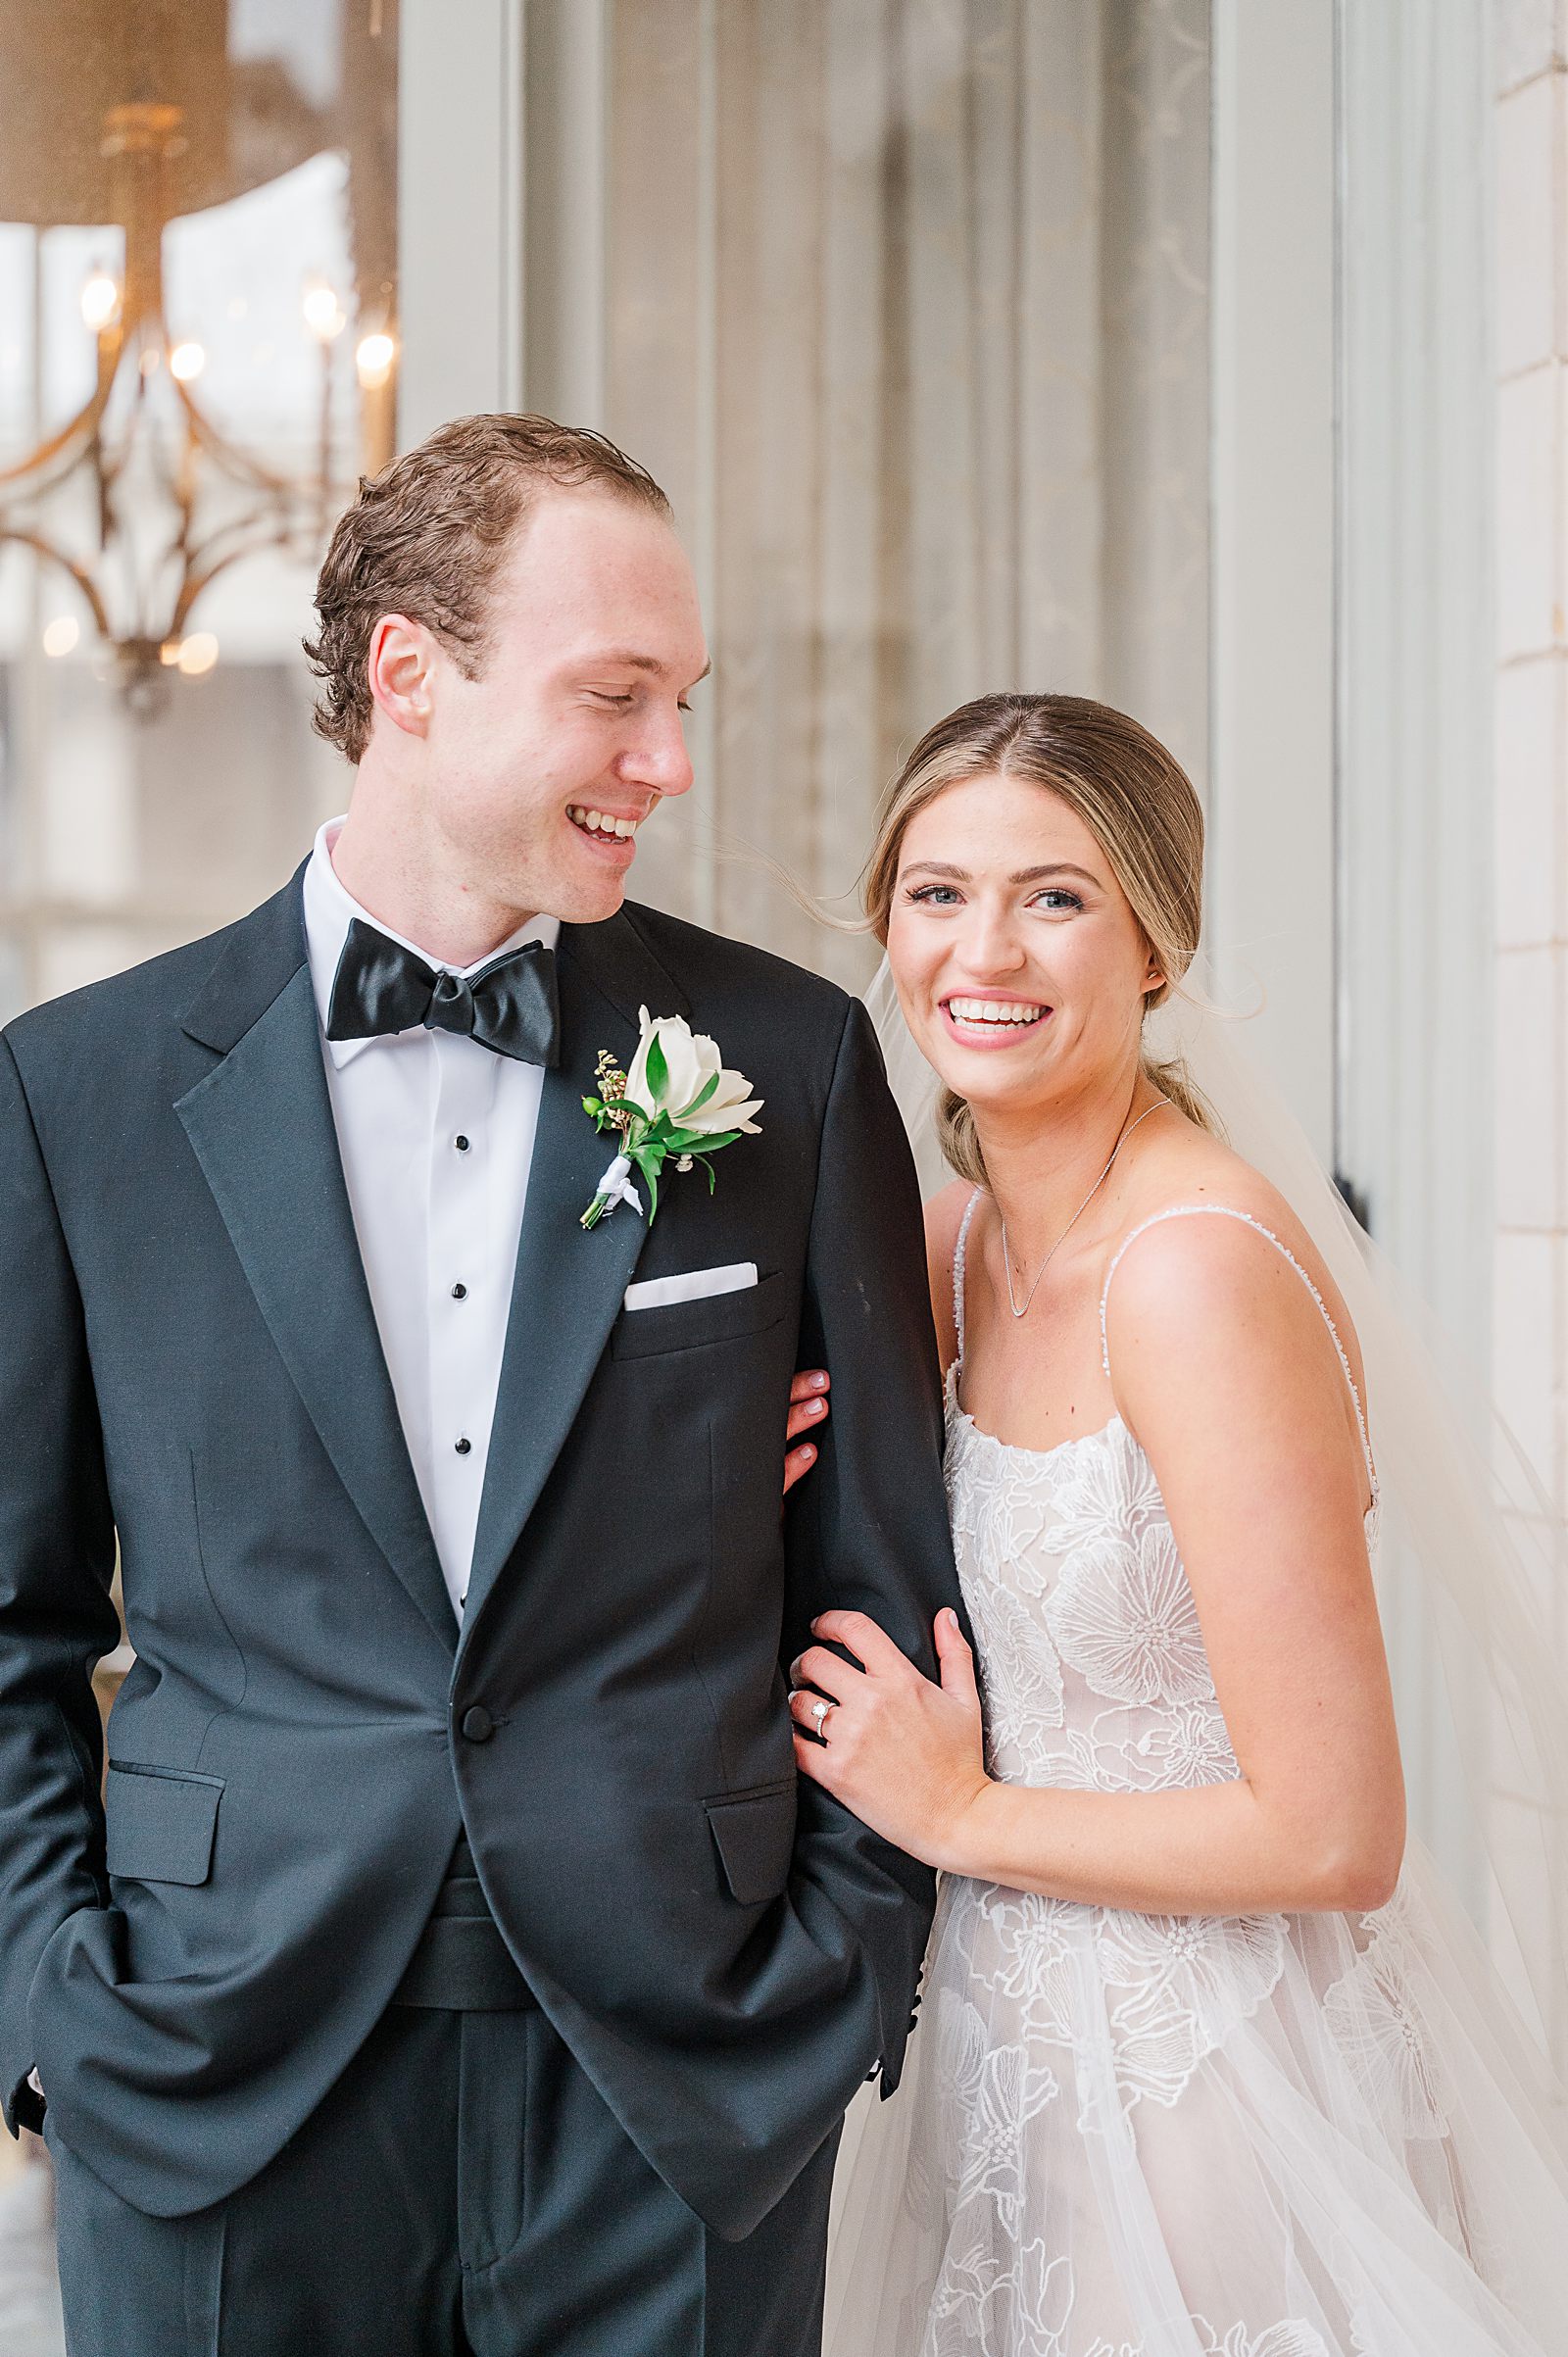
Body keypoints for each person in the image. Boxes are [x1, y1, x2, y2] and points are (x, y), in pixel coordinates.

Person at [0, 413, 962, 2357]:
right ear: (408, 678)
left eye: (681, 702)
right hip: (214, 2076)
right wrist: (53, 2000)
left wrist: (838, 1973)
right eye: (614, 699)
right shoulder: (70, 1091)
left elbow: (881, 1571)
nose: (668, 765)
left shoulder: (789, 1062)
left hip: (681, 2080)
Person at [793, 692, 1568, 2355]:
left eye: (1054, 894)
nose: (982, 947)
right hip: (980, 2060)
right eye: (939, 891)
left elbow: (1335, 1829)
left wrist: (963, 1807)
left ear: (1155, 940)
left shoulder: (1196, 1274)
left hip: (1203, 2089)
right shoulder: (943, 1247)